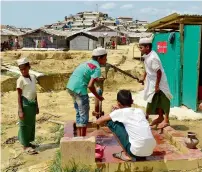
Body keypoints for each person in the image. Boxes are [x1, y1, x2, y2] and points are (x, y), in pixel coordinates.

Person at [96, 90, 156, 161]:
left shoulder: (119, 112)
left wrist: (113, 112)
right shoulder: (140, 111)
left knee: (111, 122)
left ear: (118, 103)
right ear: (132, 101)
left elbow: (98, 121)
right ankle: (139, 152)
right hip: (150, 150)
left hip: (135, 151)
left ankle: (126, 154)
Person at [66, 47, 107, 136]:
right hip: (80, 89)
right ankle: (83, 139)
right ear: (99, 58)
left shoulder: (87, 63)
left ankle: (79, 136)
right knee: (84, 114)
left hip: (71, 87)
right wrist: (98, 96)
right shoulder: (97, 68)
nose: (106, 60)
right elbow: (90, 85)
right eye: (105, 58)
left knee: (79, 113)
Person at [138, 37, 173, 129]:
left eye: (141, 47)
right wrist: (143, 78)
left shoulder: (153, 58)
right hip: (152, 81)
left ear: (147, 47)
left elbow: (159, 72)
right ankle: (160, 117)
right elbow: (147, 69)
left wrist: (157, 85)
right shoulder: (147, 56)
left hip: (159, 82)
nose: (139, 49)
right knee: (154, 99)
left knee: (164, 100)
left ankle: (166, 120)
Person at [17, 57, 39, 155]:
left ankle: (29, 142)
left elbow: (34, 92)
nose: (23, 71)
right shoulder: (20, 80)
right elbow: (19, 95)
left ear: (29, 67)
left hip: (32, 104)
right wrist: (20, 110)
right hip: (25, 104)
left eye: (24, 68)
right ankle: (25, 146)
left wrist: (37, 105)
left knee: (31, 124)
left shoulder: (33, 77)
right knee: (24, 125)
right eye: (21, 69)